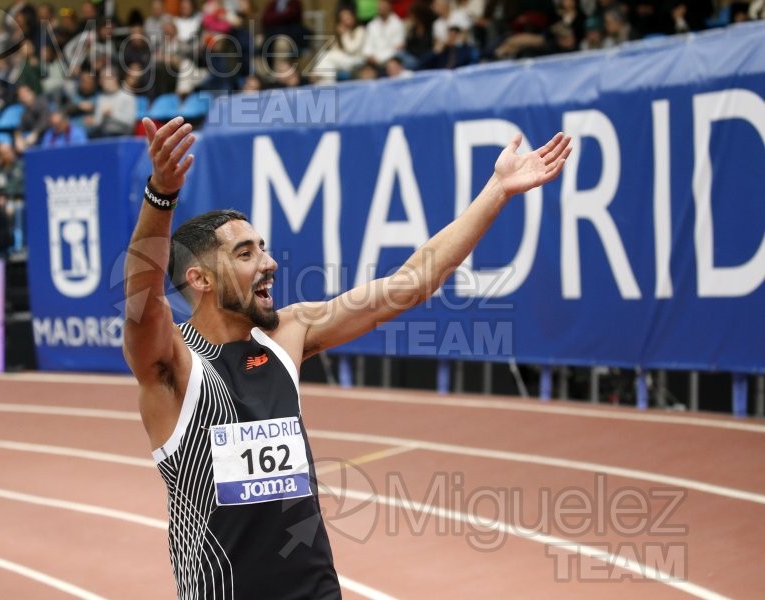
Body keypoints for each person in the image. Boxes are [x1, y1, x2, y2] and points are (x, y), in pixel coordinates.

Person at [123, 116, 571, 598]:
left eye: (264, 249)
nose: (269, 263)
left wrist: (498, 190)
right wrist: (161, 196)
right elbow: (141, 301)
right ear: (201, 280)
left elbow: (410, 283)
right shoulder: (173, 365)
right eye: (246, 253)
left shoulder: (290, 332)